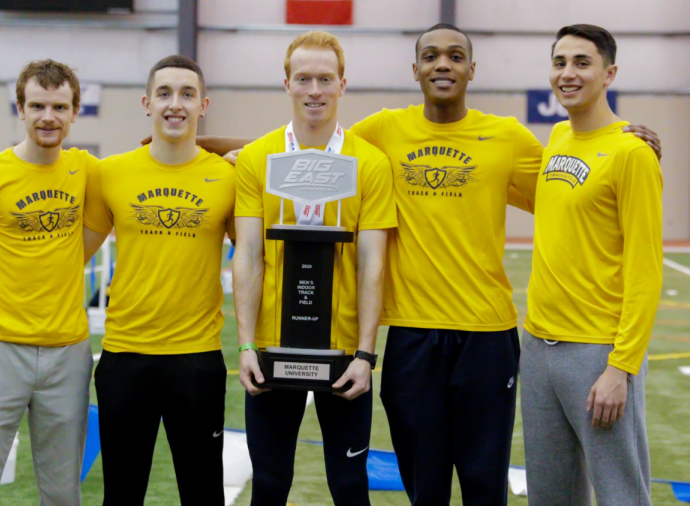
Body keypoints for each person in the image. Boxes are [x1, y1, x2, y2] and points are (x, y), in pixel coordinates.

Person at [196, 24, 662, 505]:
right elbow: (314, 140)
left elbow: (579, 175)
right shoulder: (384, 131)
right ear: (415, 69)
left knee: (485, 485)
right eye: (432, 56)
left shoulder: (510, 138)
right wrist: (203, 146)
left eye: (456, 56)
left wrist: (627, 140)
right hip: (412, 338)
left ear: (471, 70)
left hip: (488, 335)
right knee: (425, 488)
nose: (443, 64)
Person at [232, 31, 396, 505]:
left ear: (343, 84)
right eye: (303, 78)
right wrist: (246, 344)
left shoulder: (369, 163)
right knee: (269, 483)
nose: (314, 90)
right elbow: (247, 255)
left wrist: (366, 356)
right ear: (286, 83)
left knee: (348, 486)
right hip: (271, 345)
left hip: (343, 350)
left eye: (325, 78)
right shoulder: (259, 159)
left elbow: (372, 263)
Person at [82, 55, 235, 505]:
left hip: (198, 358)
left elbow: (254, 258)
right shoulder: (111, 172)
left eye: (187, 94)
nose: (176, 104)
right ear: (146, 103)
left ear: (203, 105)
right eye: (165, 94)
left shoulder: (228, 176)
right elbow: (71, 255)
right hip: (125, 357)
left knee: (204, 493)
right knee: (122, 494)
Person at [520, 24, 662, 506]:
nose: (568, 73)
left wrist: (620, 367)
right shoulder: (558, 136)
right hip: (538, 347)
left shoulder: (632, 153)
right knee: (551, 495)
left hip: (596, 354)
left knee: (621, 493)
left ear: (609, 73)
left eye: (582, 62)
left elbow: (646, 272)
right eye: (560, 63)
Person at [0, 59, 97, 506]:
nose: (48, 116)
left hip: (68, 355)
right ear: (21, 109)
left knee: (62, 494)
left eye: (58, 106)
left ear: (75, 111)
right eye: (37, 106)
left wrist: (227, 155)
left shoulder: (88, 169)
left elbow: (153, 163)